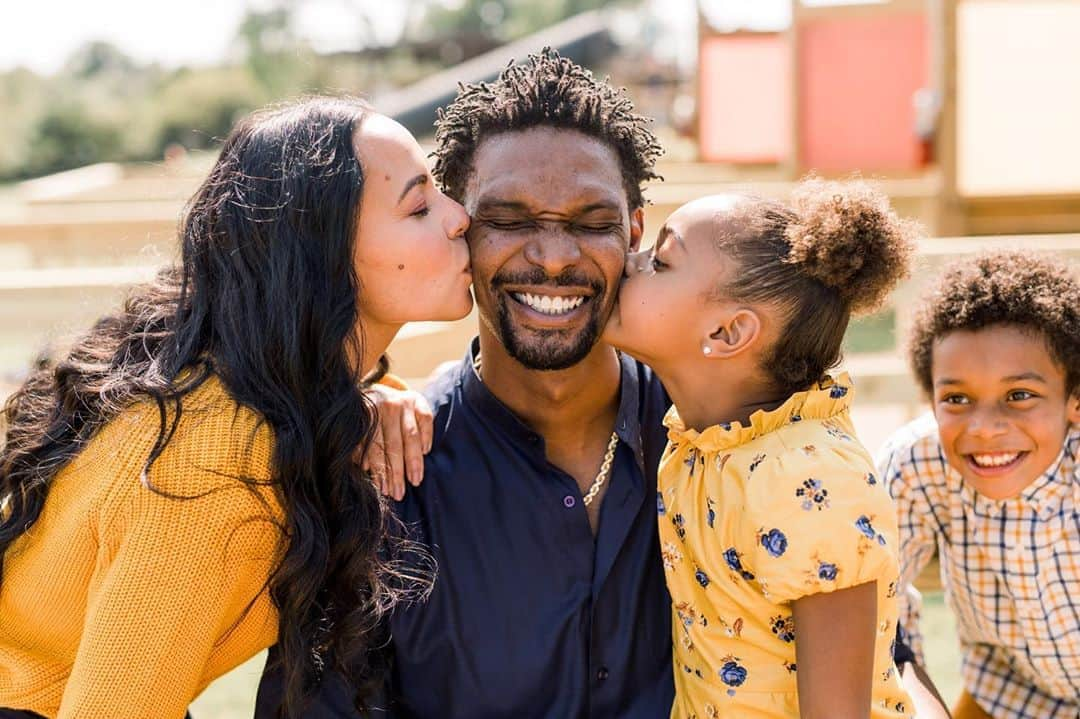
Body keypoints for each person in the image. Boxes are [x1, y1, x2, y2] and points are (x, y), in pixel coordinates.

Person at [256, 50, 940, 719]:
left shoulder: (748, 441)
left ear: (634, 236)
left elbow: (877, 654)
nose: (553, 258)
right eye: (511, 220)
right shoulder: (382, 472)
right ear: (460, 229)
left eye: (591, 224)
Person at [0, 96, 472, 719]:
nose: (460, 216)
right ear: (323, 258)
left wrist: (371, 400)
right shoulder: (213, 466)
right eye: (419, 206)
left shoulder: (255, 392)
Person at [601, 183, 918, 717]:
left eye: (660, 260)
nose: (626, 262)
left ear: (727, 332)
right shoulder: (699, 443)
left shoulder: (810, 477)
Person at [879, 250, 1080, 719]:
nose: (985, 427)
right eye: (957, 398)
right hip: (1010, 695)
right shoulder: (916, 465)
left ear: (1074, 399)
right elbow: (882, 619)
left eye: (1019, 395)